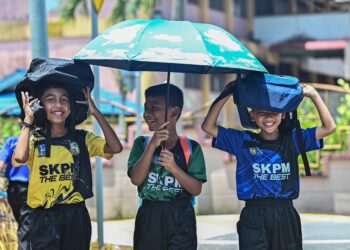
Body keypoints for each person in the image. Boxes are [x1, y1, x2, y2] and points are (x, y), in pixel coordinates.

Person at [201, 80, 336, 249]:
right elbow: (208, 126)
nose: (269, 118)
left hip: (285, 213)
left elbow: (329, 127)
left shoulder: (294, 139)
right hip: (253, 214)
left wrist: (314, 95)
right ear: (252, 115)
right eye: (262, 112)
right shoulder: (243, 141)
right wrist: (226, 94)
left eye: (274, 112)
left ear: (283, 114)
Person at [12, 58, 123, 250]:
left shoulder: (83, 139)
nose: (58, 104)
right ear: (40, 106)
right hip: (43, 217)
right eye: (50, 99)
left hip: (75, 216)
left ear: (71, 107)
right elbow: (20, 157)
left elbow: (115, 148)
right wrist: (28, 121)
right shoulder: (34, 140)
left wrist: (96, 113)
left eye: (64, 99)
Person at [128, 83, 207, 250]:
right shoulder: (141, 144)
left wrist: (174, 168)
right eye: (146, 108)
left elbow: (196, 189)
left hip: (181, 216)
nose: (147, 114)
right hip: (149, 215)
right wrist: (151, 147)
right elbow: (136, 179)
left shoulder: (191, 148)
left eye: (154, 108)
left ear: (174, 112)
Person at [0, 135, 31, 250]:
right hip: (31, 189)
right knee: (27, 226)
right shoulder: (39, 141)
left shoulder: (12, 142)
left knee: (24, 224)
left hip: (13, 190)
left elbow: (0, 165)